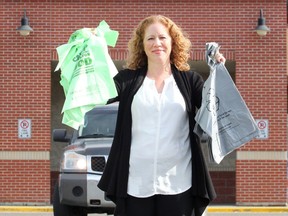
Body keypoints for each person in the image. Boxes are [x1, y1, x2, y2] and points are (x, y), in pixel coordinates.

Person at [98, 15, 225, 216]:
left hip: (179, 182)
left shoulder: (190, 81)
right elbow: (97, 92)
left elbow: (217, 109)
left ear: (173, 41)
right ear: (142, 44)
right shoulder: (128, 80)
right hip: (135, 182)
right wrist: (92, 48)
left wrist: (219, 71)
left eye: (162, 37)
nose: (157, 43)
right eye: (150, 38)